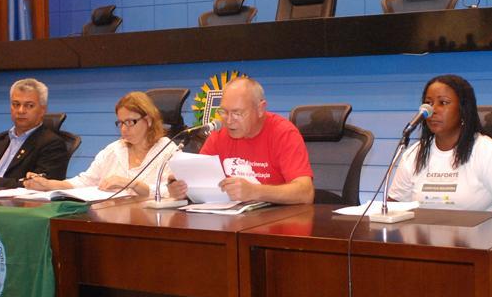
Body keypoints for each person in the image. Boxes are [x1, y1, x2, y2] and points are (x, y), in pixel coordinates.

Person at [388, 74, 492, 213]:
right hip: (423, 234)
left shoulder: (490, 153)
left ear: (463, 109)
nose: (432, 110)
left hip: (476, 233)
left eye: (443, 103)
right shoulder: (414, 154)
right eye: (428, 103)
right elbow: (393, 208)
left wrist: (475, 230)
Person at [167, 77, 314, 205]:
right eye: (223, 112)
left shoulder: (283, 133)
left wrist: (255, 191)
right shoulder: (219, 135)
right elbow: (201, 180)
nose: (229, 121)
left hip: (276, 223)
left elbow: (305, 193)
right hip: (229, 222)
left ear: (260, 108)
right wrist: (182, 190)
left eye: (237, 113)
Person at [25, 91, 171, 197]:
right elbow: (85, 181)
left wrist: (132, 184)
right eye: (120, 123)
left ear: (149, 120)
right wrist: (48, 184)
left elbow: (171, 191)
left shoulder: (167, 150)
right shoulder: (114, 150)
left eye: (130, 122)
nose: (124, 129)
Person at [0, 78, 69, 188]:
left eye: (29, 105)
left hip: (16, 202)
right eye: (16, 104)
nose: (21, 111)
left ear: (43, 110)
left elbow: (39, 185)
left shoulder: (52, 144)